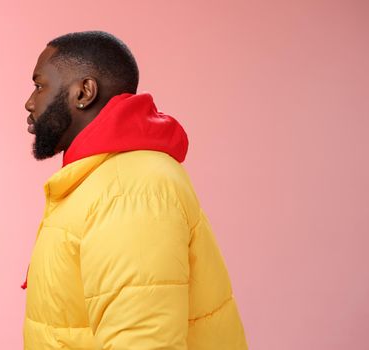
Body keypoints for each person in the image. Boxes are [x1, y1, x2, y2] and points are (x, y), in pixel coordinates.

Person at [22, 30, 247, 349]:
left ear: (83, 92)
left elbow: (144, 340)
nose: (30, 103)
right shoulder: (100, 179)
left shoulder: (130, 189)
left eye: (39, 85)